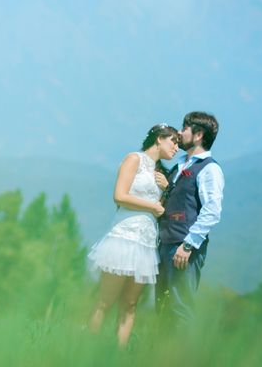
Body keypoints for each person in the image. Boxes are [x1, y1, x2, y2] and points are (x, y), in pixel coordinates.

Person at [88, 123, 179, 347]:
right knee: (105, 300)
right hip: (123, 237)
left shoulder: (161, 173)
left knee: (130, 304)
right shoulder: (134, 159)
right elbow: (119, 195)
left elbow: (162, 208)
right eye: (173, 141)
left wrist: (167, 189)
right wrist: (151, 206)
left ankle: (118, 355)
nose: (177, 148)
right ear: (159, 138)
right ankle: (86, 349)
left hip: (146, 243)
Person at [155, 111, 225, 326]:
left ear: (198, 135)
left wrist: (188, 245)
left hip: (183, 248)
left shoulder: (209, 169)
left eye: (184, 128)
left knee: (180, 307)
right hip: (165, 242)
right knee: (162, 307)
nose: (180, 132)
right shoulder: (179, 166)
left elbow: (212, 210)